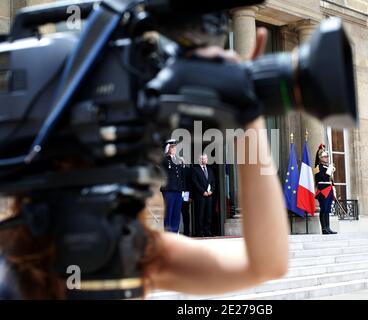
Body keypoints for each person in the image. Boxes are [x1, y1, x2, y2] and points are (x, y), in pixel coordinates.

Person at [0, 27, 289, 299]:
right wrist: (248, 116)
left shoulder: (137, 251)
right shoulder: (144, 255)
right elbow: (266, 265)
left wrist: (248, 113)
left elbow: (267, 264)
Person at [160, 139, 184, 233]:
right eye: (172, 147)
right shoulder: (164, 160)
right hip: (168, 189)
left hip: (178, 189)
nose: (174, 149)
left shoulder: (178, 160)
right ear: (168, 148)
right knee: (168, 212)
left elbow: (181, 176)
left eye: (174, 147)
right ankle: (167, 233)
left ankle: (174, 232)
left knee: (176, 213)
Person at [313, 144, 337, 234]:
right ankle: (324, 228)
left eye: (327, 156)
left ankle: (328, 227)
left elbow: (331, 180)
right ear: (320, 158)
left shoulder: (328, 167)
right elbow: (320, 178)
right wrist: (329, 170)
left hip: (329, 189)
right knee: (323, 209)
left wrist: (333, 188)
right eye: (325, 156)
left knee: (327, 209)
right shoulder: (317, 168)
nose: (327, 158)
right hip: (322, 190)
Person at [192, 154, 216, 237]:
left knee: (208, 214)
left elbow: (213, 182)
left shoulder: (210, 170)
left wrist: (211, 191)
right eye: (202, 159)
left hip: (209, 196)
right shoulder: (195, 169)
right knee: (200, 215)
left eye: (205, 159)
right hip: (200, 196)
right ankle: (200, 232)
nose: (204, 160)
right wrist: (203, 192)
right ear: (199, 160)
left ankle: (207, 231)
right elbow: (195, 182)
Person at [181, 164, 193, 236]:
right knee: (177, 212)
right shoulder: (177, 168)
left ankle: (186, 232)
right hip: (178, 192)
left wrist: (190, 196)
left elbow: (191, 184)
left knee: (185, 213)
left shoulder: (189, 170)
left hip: (186, 193)